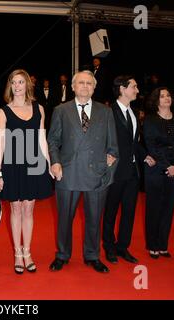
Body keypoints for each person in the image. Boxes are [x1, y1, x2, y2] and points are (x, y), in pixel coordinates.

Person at [47, 70, 118, 274]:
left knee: (94, 218)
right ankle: (62, 255)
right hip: (68, 173)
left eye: (89, 83)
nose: (85, 86)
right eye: (81, 83)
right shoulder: (61, 110)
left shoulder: (105, 112)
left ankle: (92, 255)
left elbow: (113, 145)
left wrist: (110, 161)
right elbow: (53, 141)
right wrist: (55, 162)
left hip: (95, 173)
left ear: (94, 87)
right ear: (73, 86)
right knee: (64, 219)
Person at [0, 69, 53, 274]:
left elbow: (42, 139)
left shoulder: (39, 108)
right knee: (16, 209)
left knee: (29, 208)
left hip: (34, 163)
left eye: (21, 82)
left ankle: (27, 251)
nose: (17, 86)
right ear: (10, 86)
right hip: (12, 164)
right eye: (14, 82)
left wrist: (49, 163)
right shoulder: (3, 111)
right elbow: (0, 144)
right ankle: (17, 253)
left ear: (27, 84)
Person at [102, 76, 156, 265]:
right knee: (110, 211)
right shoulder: (109, 112)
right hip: (115, 171)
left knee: (129, 211)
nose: (137, 90)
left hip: (133, 172)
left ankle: (122, 247)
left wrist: (144, 155)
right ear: (122, 89)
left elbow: (133, 142)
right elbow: (102, 139)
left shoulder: (133, 113)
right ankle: (109, 247)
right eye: (134, 86)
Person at [143, 87, 174, 259]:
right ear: (156, 100)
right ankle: (153, 245)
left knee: (168, 209)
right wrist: (167, 166)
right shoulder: (150, 120)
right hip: (155, 169)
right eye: (162, 96)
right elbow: (151, 145)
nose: (166, 98)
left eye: (168, 95)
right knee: (154, 208)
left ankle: (163, 245)